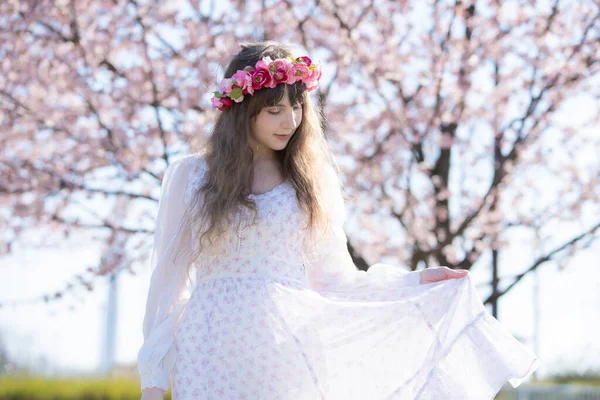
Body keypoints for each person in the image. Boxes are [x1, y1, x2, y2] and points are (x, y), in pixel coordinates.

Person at [137, 41, 540, 400]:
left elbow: (338, 280)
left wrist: (414, 281)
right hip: (207, 349)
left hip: (284, 350)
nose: (289, 121)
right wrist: (152, 385)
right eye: (274, 109)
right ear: (242, 110)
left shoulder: (309, 184)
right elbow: (167, 284)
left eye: (297, 107)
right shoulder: (193, 176)